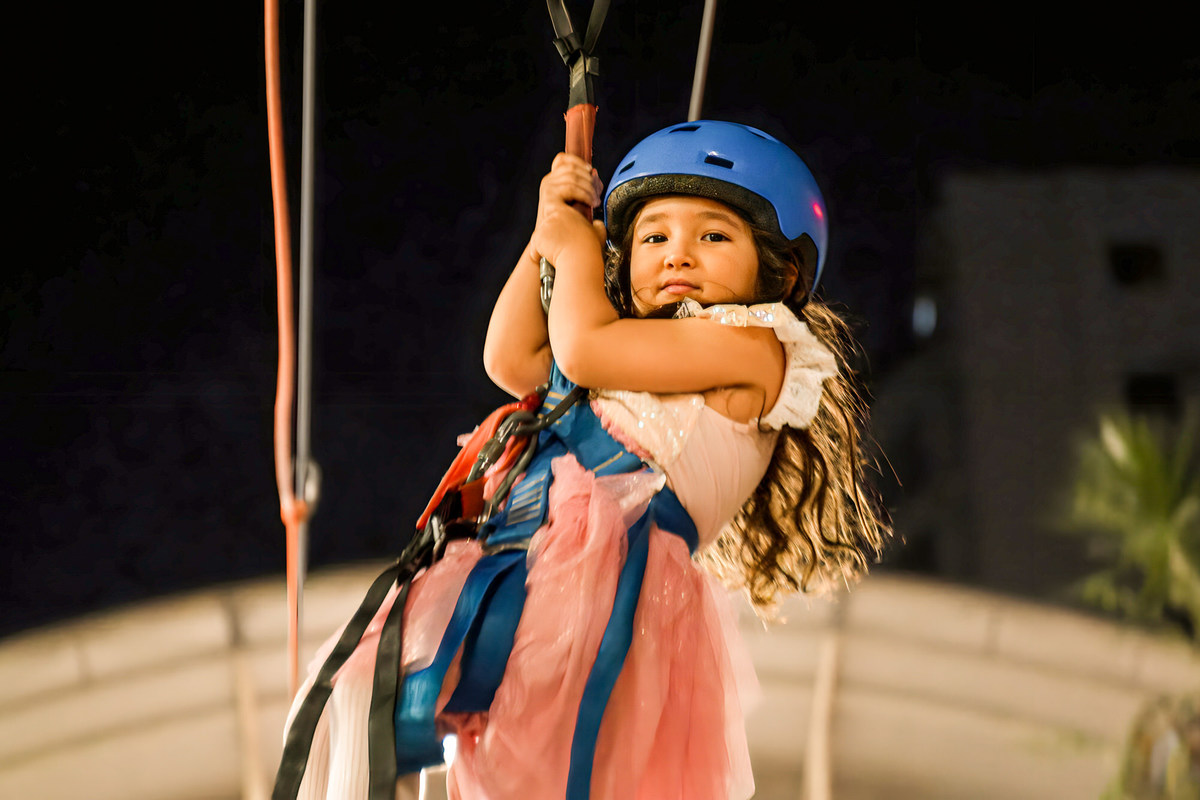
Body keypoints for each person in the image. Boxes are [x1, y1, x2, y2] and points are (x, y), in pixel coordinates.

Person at [277, 120, 890, 800]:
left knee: (529, 768)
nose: (677, 255)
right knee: (357, 686)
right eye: (654, 238)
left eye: (712, 236)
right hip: (530, 557)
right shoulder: (627, 347)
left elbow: (580, 349)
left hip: (607, 580)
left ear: (785, 269)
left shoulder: (756, 347)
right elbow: (513, 360)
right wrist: (551, 237)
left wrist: (574, 254)